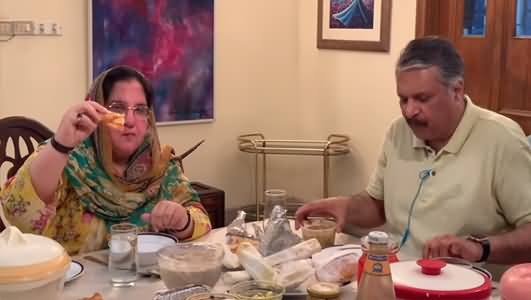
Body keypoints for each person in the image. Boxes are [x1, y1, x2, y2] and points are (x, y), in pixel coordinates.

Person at [296, 36, 531, 265]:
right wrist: (344, 207)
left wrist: (480, 248)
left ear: (457, 91)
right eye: (403, 99)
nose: (410, 112)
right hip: (398, 275)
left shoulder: (502, 140)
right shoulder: (399, 132)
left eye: (422, 98)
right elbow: (377, 205)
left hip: (470, 288)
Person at [0, 66, 211, 255]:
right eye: (117, 108)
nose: (129, 121)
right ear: (96, 111)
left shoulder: (162, 166)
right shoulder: (69, 159)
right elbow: (20, 210)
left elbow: (201, 220)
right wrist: (60, 144)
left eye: (139, 110)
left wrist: (183, 221)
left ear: (149, 119)